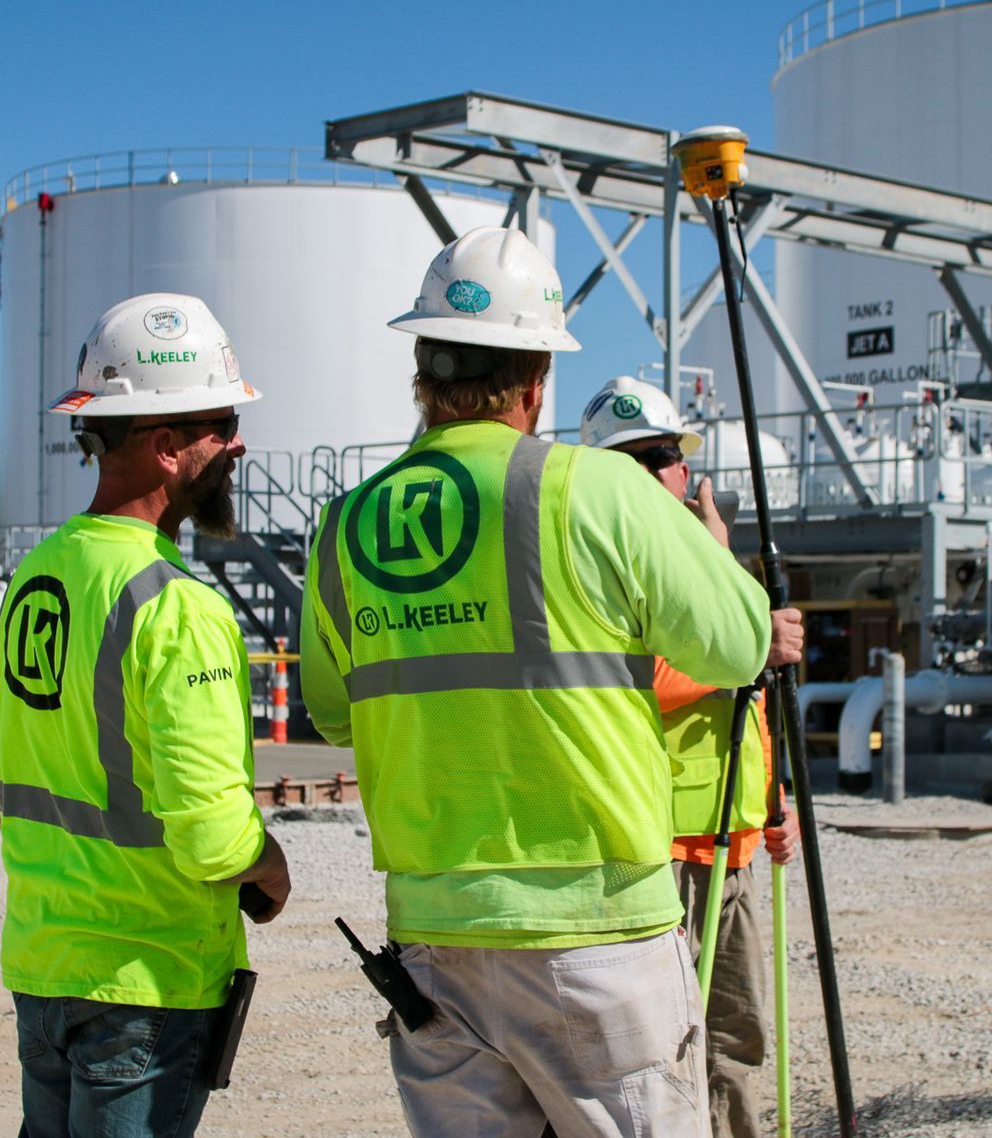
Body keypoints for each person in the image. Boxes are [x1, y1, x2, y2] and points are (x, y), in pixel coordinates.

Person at [299, 227, 773, 1138]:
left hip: (435, 936)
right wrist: (711, 558)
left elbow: (330, 710)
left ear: (424, 378)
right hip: (598, 933)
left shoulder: (344, 526)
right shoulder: (596, 490)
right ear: (535, 380)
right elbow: (741, 646)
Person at [0, 292, 292, 1138]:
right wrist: (270, 867)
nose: (237, 446)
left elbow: (1, 765)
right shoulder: (177, 606)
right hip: (146, 984)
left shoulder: (37, 575)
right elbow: (212, 834)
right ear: (164, 449)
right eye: (221, 428)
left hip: (44, 968)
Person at [580, 376, 803, 1138]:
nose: (660, 472)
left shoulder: (710, 561)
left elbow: (753, 707)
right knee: (663, 1049)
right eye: (637, 459)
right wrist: (746, 645)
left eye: (667, 456)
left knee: (740, 1040)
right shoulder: (598, 563)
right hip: (657, 853)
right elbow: (639, 683)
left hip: (733, 843)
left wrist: (775, 805)